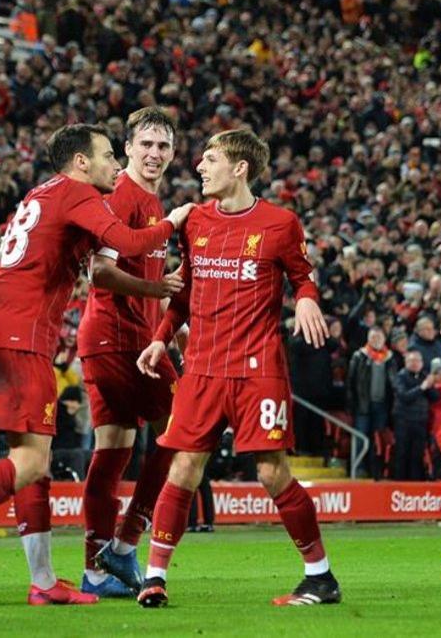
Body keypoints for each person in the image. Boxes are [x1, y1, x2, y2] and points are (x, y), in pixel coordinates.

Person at [0, 123, 192, 606]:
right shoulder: (78, 194)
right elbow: (131, 245)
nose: (117, 166)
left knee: (33, 459)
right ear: (81, 163)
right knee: (31, 460)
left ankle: (44, 580)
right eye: (108, 156)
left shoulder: (46, 192)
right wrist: (175, 221)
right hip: (19, 335)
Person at [134, 129, 336, 607]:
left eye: (211, 159)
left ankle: (320, 576)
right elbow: (183, 295)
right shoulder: (194, 223)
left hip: (257, 369)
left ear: (240, 167)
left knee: (271, 472)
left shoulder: (281, 223)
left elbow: (303, 280)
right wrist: (161, 339)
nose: (200, 167)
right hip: (201, 369)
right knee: (181, 468)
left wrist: (306, 301)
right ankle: (154, 577)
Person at [76, 107, 185, 597]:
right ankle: (124, 545)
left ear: (174, 152)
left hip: (118, 338)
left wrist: (171, 327)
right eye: (146, 144)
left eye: (163, 146)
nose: (154, 154)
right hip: (117, 337)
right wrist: (158, 286)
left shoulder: (153, 203)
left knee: (113, 451)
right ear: (128, 149)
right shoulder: (124, 195)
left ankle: (95, 572)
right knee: (180, 428)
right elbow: (99, 272)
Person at [348, 327, 396, 478]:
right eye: (373, 338)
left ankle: (374, 470)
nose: (376, 341)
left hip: (382, 406)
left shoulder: (390, 358)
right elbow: (351, 382)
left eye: (379, 338)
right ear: (368, 339)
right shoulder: (359, 356)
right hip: (363, 405)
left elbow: (393, 384)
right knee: (360, 439)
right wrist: (351, 404)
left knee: (378, 442)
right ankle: (357, 468)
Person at [390, 351, 439, 480]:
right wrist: (422, 387)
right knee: (402, 453)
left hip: (420, 421)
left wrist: (431, 385)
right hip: (403, 420)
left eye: (418, 361)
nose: (415, 364)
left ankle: (415, 484)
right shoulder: (400, 376)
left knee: (417, 454)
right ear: (406, 363)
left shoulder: (424, 376)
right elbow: (405, 396)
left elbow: (435, 397)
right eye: (412, 361)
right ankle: (399, 483)